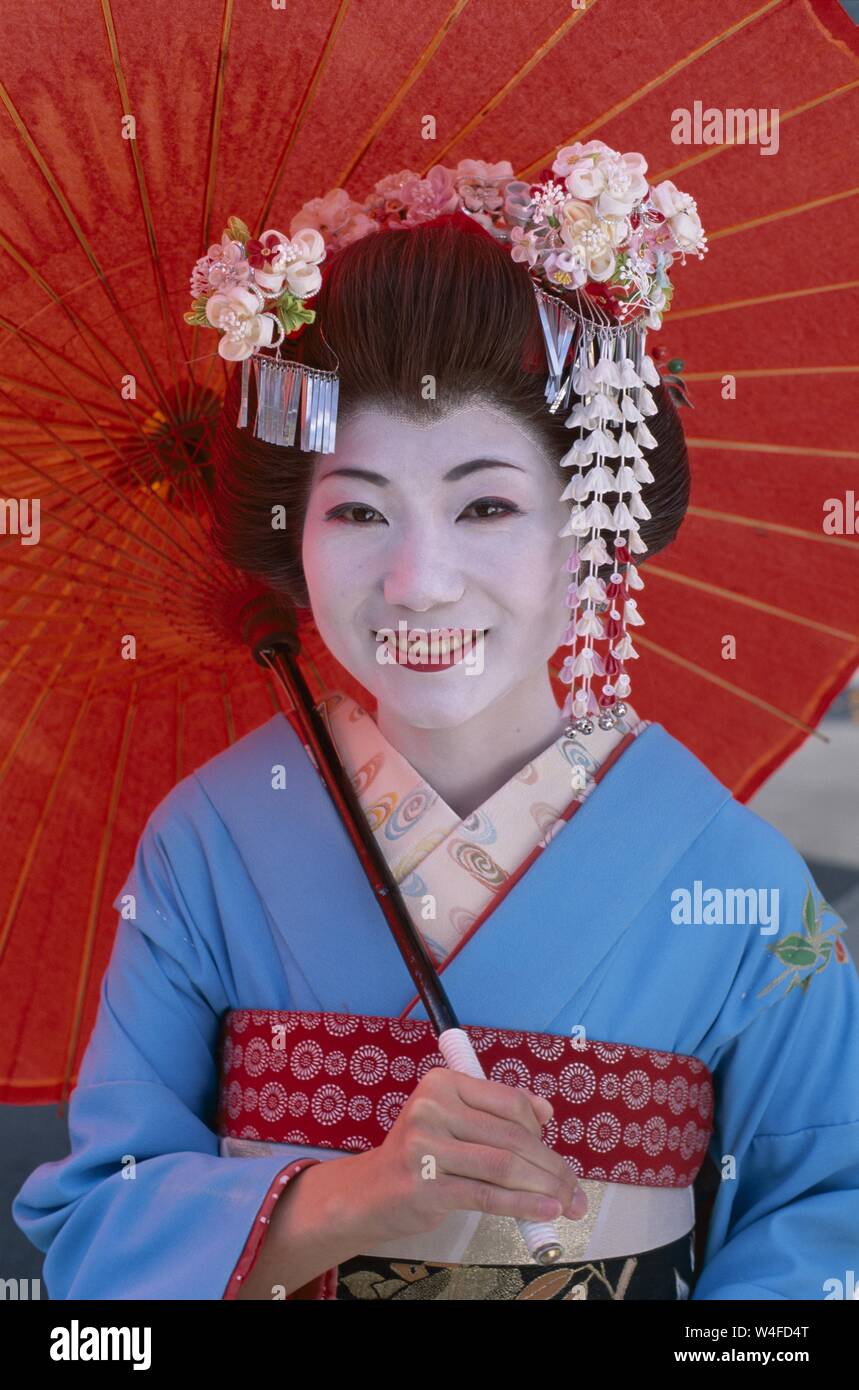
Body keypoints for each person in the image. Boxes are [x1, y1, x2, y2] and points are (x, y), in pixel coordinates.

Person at [13, 216, 859, 1302]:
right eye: (359, 508)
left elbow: (831, 1217)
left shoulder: (735, 883)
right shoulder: (210, 843)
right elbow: (95, 1230)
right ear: (297, 538)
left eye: (486, 505)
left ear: (588, 530)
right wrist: (354, 1199)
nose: (418, 580)